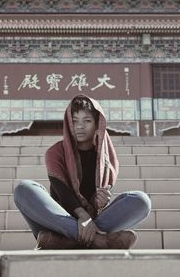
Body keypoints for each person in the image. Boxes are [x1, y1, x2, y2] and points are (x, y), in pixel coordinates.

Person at [14, 94, 151, 249]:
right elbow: (63, 194)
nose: (79, 126)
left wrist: (101, 202)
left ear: (97, 124)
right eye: (74, 121)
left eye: (86, 121)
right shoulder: (55, 152)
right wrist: (83, 216)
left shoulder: (107, 158)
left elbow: (101, 200)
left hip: (82, 227)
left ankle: (65, 242)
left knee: (141, 200)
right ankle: (98, 241)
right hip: (56, 224)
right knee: (24, 189)